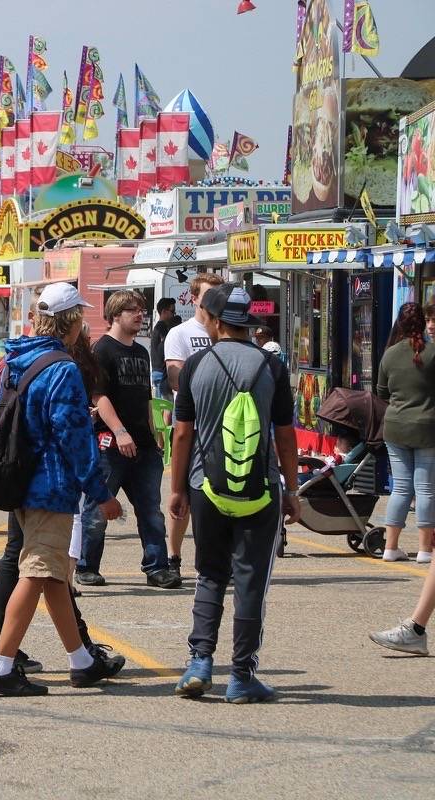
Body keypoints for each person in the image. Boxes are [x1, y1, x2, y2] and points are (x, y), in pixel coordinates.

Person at [0, 284, 125, 696]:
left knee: (53, 573)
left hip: (21, 481)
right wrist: (100, 492)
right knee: (37, 572)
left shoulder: (16, 358)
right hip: (52, 486)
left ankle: (81, 659)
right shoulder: (62, 368)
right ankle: (2, 665)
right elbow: (73, 436)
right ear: (73, 322)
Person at [169, 283, 299, 703]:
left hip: (206, 486)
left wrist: (177, 489)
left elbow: (183, 432)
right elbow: (284, 437)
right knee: (250, 581)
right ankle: (241, 676)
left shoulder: (195, 365)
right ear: (249, 325)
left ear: (217, 321)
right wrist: (293, 490)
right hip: (259, 490)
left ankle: (200, 662)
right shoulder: (272, 367)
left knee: (210, 573)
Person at [77, 290, 178, 589]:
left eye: (141, 310)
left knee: (151, 511)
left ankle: (157, 568)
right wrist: (120, 432)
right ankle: (86, 566)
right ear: (115, 315)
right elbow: (98, 396)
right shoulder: (103, 350)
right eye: (132, 310)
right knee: (97, 509)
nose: (139, 315)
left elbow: (145, 396)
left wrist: (154, 430)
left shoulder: (141, 351)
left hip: (144, 445)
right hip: (111, 444)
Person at [161, 272, 223, 581]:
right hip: (190, 423)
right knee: (181, 495)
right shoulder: (180, 333)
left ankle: (213, 559)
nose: (213, 301)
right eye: (208, 295)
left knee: (216, 495)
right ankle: (174, 556)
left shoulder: (225, 333)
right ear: (194, 298)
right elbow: (175, 377)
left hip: (222, 426)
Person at [373, 303, 435, 563]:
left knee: (400, 488)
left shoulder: (390, 354)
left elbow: (381, 392)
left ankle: (391, 547)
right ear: (423, 323)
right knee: (425, 489)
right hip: (427, 427)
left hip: (395, 427)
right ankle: (424, 550)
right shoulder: (432, 353)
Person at [150, 297, 181, 399]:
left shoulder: (161, 327)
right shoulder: (161, 327)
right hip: (161, 372)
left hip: (159, 371)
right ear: (163, 311)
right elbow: (163, 349)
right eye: (172, 311)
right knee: (165, 407)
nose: (173, 314)